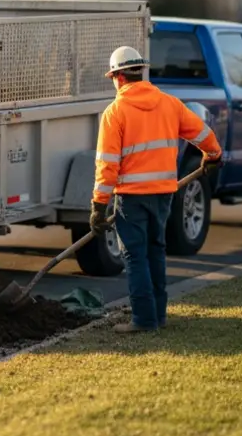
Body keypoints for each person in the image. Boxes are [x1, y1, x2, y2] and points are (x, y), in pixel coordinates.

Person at [91, 45, 223, 333]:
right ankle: (158, 315)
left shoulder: (115, 113)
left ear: (119, 77)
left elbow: (107, 165)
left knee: (135, 257)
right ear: (140, 72)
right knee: (155, 252)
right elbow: (204, 134)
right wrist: (213, 156)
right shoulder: (170, 104)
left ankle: (143, 320)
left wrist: (99, 205)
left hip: (131, 199)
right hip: (164, 195)